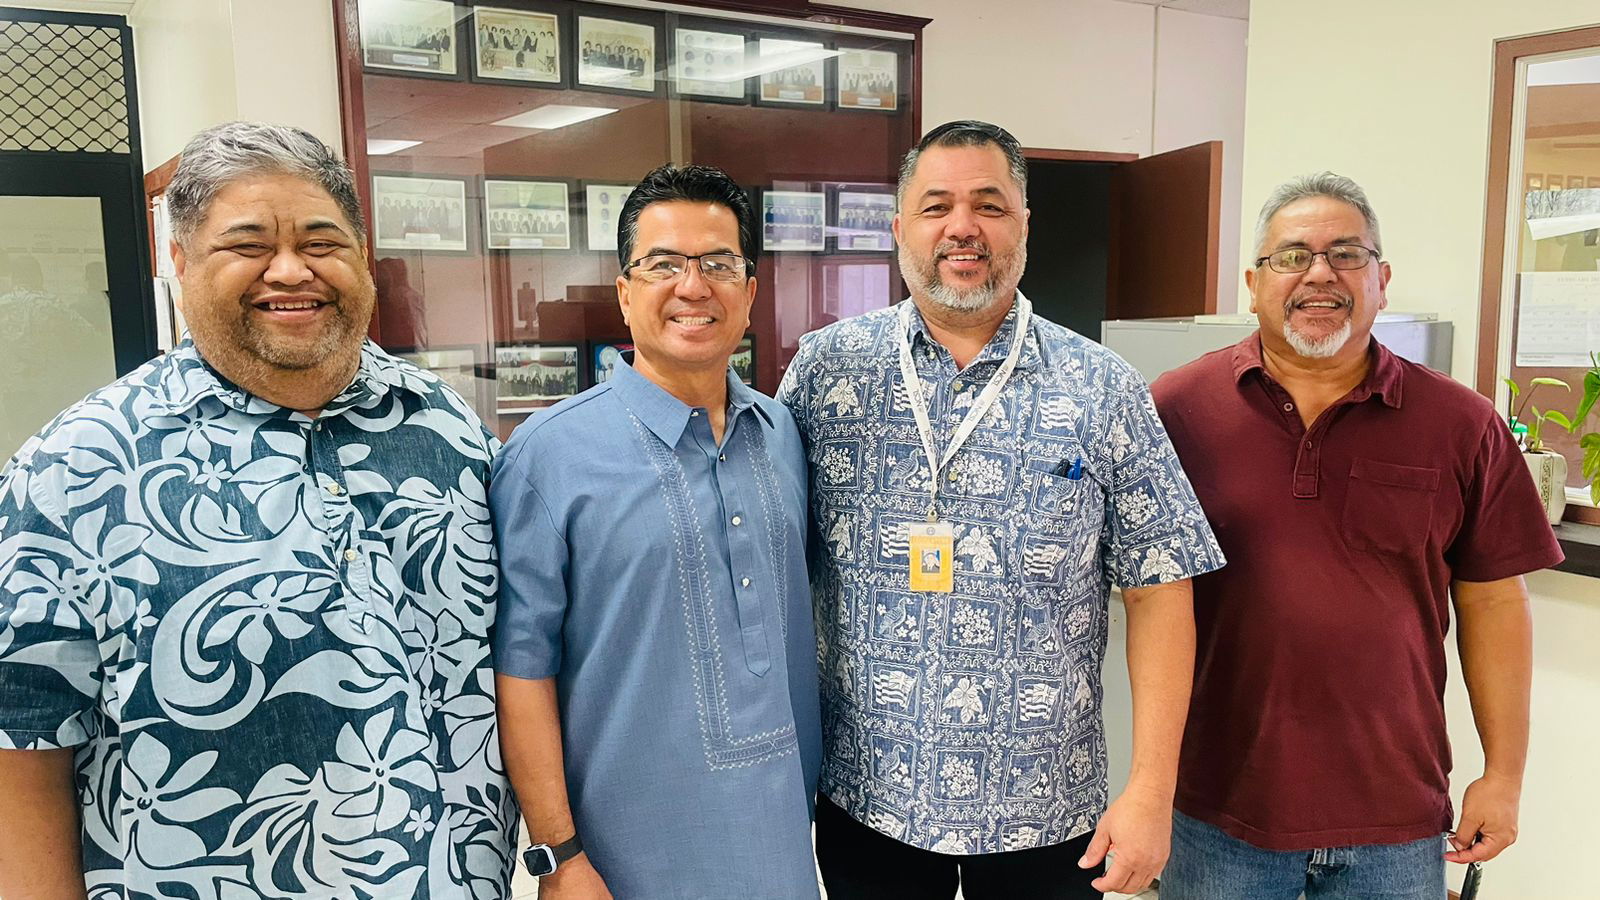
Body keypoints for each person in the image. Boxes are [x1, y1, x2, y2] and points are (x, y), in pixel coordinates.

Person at [0, 121, 517, 898]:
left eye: (321, 242)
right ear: (178, 261)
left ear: (362, 257)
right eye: (247, 245)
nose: (290, 271)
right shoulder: (71, 474)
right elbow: (22, 749)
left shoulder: (451, 433)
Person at [778, 119, 1224, 900]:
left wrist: (1152, 791)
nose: (962, 227)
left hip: (1044, 809)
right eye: (936, 205)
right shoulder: (826, 370)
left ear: (1024, 223)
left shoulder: (1103, 387)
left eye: (989, 204)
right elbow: (768, 561)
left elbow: (1160, 588)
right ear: (899, 229)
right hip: (865, 797)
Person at [1150, 172, 1564, 899]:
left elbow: (1497, 606)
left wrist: (1504, 775)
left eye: (1346, 255)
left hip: (1395, 819)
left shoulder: (1461, 426)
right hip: (1221, 812)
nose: (1318, 274)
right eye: (1291, 256)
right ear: (1253, 282)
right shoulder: (1176, 411)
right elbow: (1140, 596)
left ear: (1382, 281)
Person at [493, 164, 821, 899]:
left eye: (719, 264)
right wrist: (558, 855)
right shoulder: (547, 457)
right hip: (622, 864)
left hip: (782, 849)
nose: (693, 286)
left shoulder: (784, 434)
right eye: (663, 264)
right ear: (624, 291)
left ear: (750, 293)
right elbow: (521, 674)